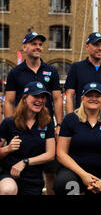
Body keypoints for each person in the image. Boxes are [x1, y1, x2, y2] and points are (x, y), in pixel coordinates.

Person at [4, 32, 63, 195]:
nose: (38, 47)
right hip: (22, 126)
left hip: (45, 127)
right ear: (25, 47)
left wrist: (59, 125)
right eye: (34, 44)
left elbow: (57, 99)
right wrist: (10, 126)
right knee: (22, 171)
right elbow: (9, 101)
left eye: (40, 44)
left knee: (51, 172)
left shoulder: (51, 70)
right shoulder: (15, 72)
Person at [54, 82, 101, 195]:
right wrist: (83, 175)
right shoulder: (70, 119)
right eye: (89, 95)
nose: (93, 98)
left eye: (97, 96)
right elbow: (60, 153)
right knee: (64, 183)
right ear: (82, 98)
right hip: (75, 172)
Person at [0, 81, 56, 195]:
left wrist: (25, 162)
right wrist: (8, 148)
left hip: (34, 180)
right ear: (25, 98)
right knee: (8, 190)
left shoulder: (47, 122)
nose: (40, 100)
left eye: (42, 97)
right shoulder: (9, 122)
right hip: (9, 175)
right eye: (35, 96)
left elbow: (50, 154)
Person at [65, 32, 101, 120]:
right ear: (87, 47)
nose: (100, 48)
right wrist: (69, 120)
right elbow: (69, 95)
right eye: (96, 45)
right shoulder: (76, 67)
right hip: (82, 120)